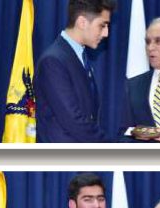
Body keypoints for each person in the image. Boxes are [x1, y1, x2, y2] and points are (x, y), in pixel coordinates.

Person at [35, 0, 117, 143]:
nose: (106, 33)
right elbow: (74, 122)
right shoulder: (53, 61)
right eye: (102, 25)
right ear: (82, 22)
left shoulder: (79, 57)